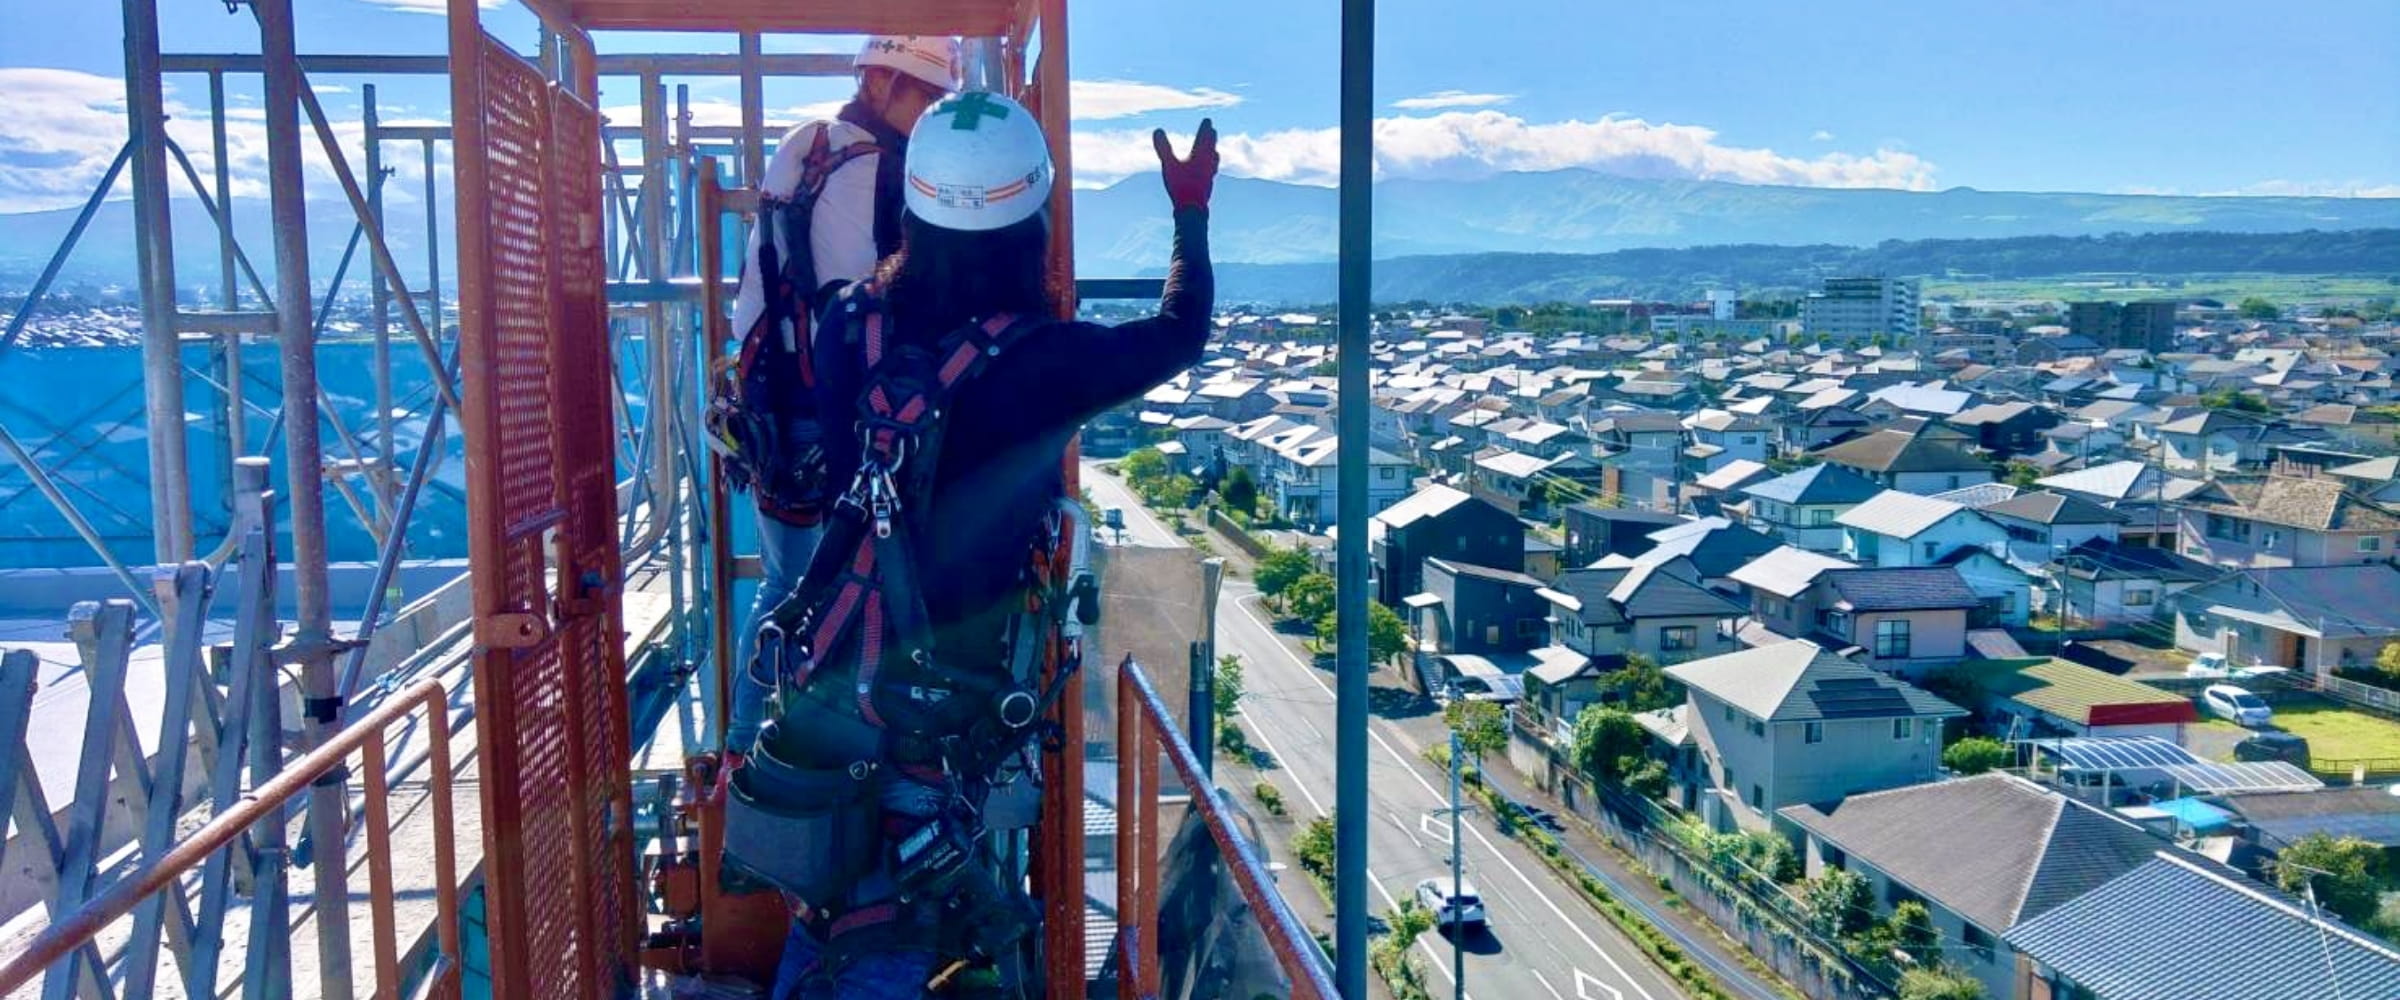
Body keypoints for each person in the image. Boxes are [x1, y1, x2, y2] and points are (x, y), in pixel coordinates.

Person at [733, 88, 1218, 999]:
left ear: (912, 203)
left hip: (829, 676)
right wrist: (1188, 213)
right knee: (904, 914)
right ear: (1032, 216)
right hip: (946, 706)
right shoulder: (1049, 362)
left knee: (831, 898)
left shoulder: (847, 325)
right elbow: (1180, 332)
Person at [720, 35, 957, 754]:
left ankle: (745, 744)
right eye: (928, 96)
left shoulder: (807, 144)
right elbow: (858, 309)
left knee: (785, 586)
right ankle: (813, 754)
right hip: (832, 416)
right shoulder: (872, 164)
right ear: (883, 83)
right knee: (840, 591)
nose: (934, 113)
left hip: (769, 407)